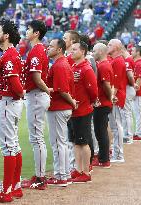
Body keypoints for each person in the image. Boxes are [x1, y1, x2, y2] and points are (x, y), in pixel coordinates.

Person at [0, 18, 24, 203]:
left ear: (7, 35)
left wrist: (19, 94)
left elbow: (16, 86)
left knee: (8, 146)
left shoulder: (9, 55)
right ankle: (15, 187)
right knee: (14, 144)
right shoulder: (10, 54)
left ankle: (6, 191)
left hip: (8, 102)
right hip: (9, 102)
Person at [22, 20, 50, 190]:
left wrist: (47, 91)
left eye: (29, 28)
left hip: (36, 95)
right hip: (36, 95)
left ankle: (40, 178)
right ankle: (39, 175)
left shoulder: (37, 50)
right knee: (36, 137)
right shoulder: (37, 50)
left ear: (36, 33)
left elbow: (37, 78)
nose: (26, 31)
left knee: (37, 138)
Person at [46, 39, 76, 187]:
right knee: (61, 143)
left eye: (51, 46)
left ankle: (61, 176)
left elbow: (62, 90)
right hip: (61, 107)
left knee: (58, 143)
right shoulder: (62, 63)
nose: (48, 48)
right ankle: (64, 174)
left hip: (59, 107)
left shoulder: (60, 65)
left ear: (59, 49)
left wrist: (72, 102)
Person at [68, 41, 98, 183]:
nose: (71, 51)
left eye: (74, 49)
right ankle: (78, 169)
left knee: (83, 141)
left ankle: (86, 171)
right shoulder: (74, 67)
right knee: (76, 141)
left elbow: (93, 91)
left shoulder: (86, 68)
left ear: (83, 52)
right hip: (74, 110)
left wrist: (88, 102)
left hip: (83, 110)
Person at [92, 43, 113, 168]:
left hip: (102, 103)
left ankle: (104, 159)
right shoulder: (102, 64)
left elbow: (106, 85)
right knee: (100, 131)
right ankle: (103, 156)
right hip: (103, 102)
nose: (93, 53)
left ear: (100, 52)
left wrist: (110, 97)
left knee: (101, 131)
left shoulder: (103, 66)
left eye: (94, 51)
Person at [62, 30, 80, 174]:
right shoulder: (67, 58)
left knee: (72, 136)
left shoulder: (71, 59)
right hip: (70, 100)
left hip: (72, 100)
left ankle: (73, 166)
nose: (63, 40)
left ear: (73, 42)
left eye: (65, 38)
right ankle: (72, 165)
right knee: (70, 136)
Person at [107, 39, 127, 163]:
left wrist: (111, 97)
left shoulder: (118, 61)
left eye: (110, 45)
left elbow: (116, 84)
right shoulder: (116, 60)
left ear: (117, 47)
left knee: (116, 126)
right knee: (115, 126)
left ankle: (119, 155)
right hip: (117, 96)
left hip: (116, 97)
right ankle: (117, 153)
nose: (107, 46)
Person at [121, 47, 135, 144]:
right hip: (129, 87)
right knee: (127, 113)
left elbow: (130, 75)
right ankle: (128, 135)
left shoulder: (128, 59)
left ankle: (128, 136)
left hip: (128, 87)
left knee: (126, 113)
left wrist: (133, 84)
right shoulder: (129, 59)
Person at [131, 45, 141, 141]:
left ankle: (139, 133)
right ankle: (136, 132)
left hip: (138, 93)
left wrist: (133, 91)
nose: (131, 52)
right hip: (135, 92)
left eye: (133, 50)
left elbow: (139, 79)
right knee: (135, 113)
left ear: (138, 52)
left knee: (138, 113)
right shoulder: (136, 63)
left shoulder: (139, 64)